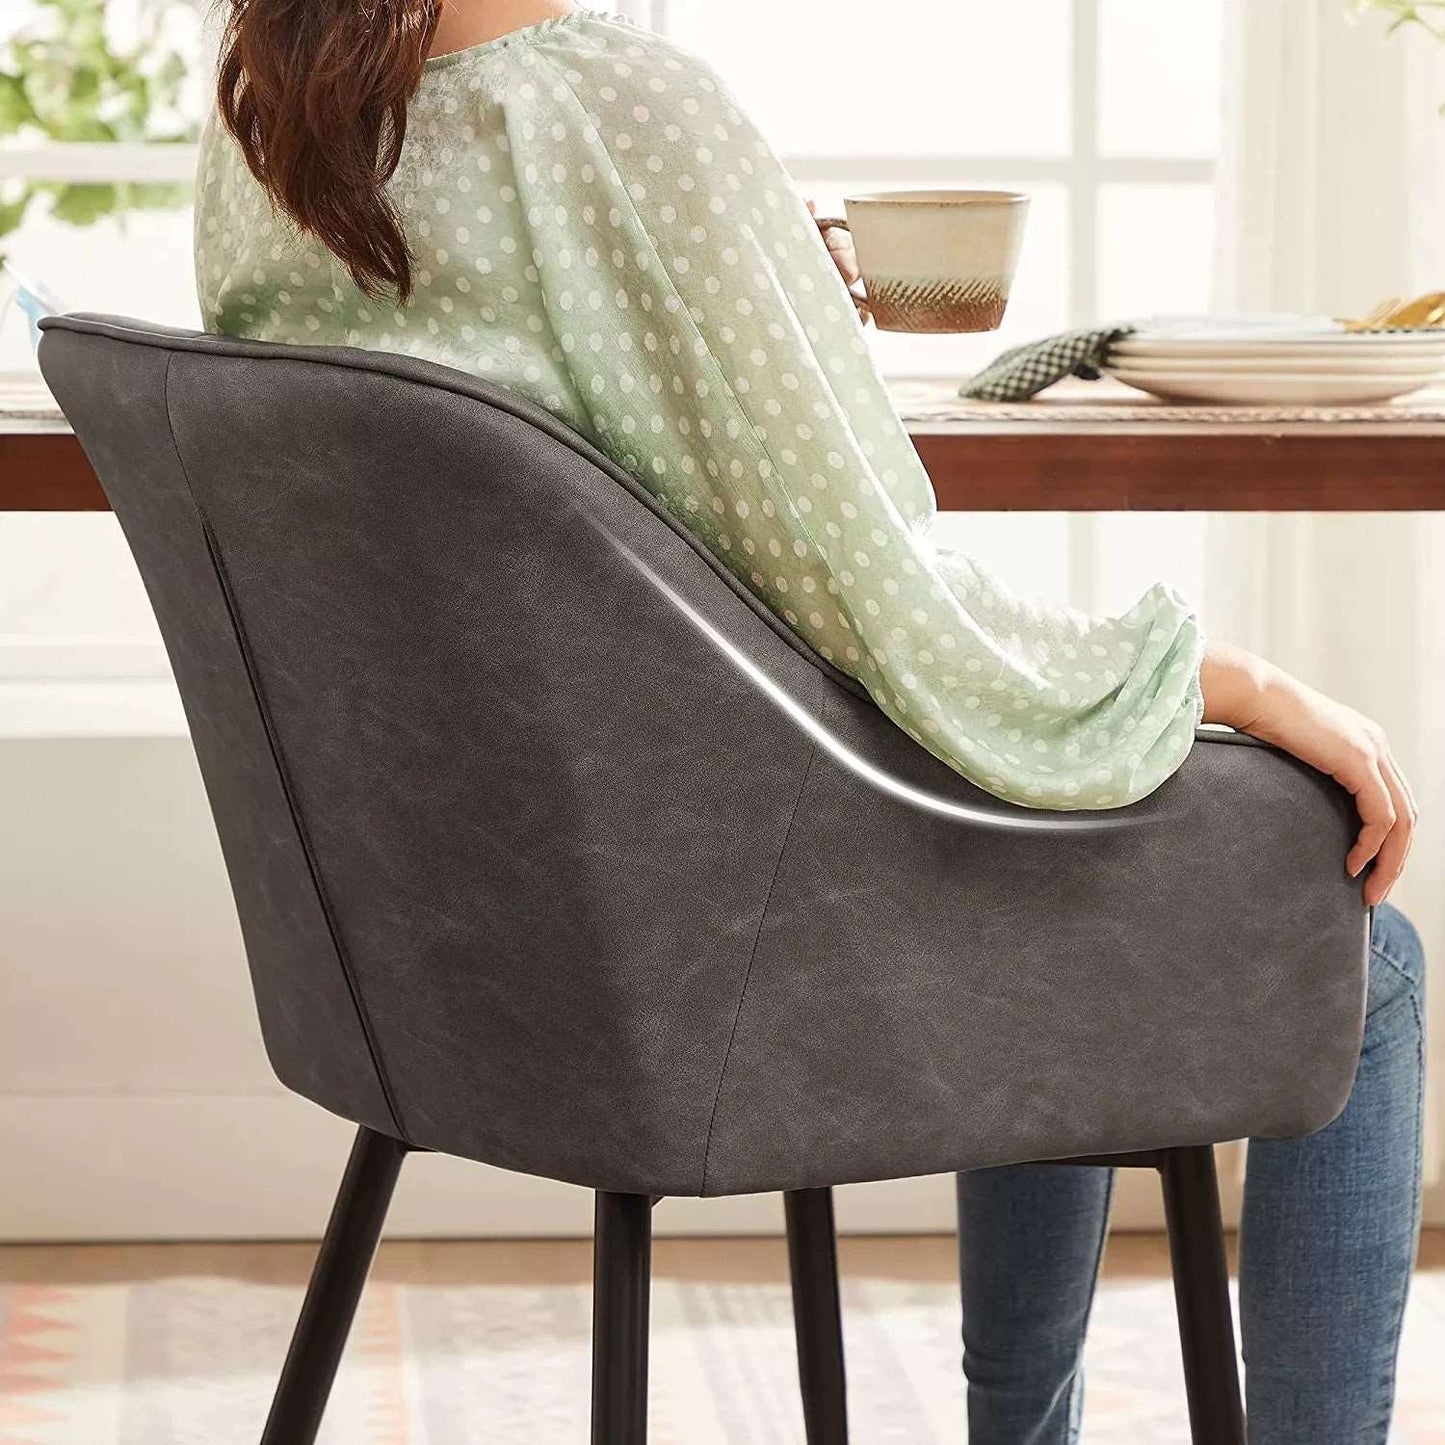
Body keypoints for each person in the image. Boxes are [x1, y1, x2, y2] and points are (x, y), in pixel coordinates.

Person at [193, 2, 1425, 1436]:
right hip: (728, 952)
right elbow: (890, 607)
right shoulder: (617, 108)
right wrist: (1228, 679)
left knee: (1074, 844)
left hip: (456, 955)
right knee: (1345, 939)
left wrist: (759, 292)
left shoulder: (266, 116)